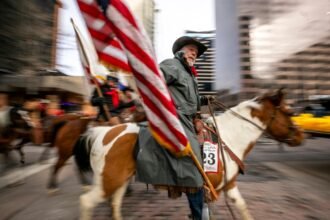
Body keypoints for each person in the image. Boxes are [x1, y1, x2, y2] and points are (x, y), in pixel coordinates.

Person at [159, 36, 213, 220]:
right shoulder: (173, 65)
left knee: (211, 142)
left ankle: (200, 204)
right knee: (194, 168)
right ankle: (199, 215)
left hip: (189, 121)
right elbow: (155, 82)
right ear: (179, 51)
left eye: (196, 53)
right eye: (191, 49)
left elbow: (194, 102)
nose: (194, 54)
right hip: (177, 121)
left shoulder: (190, 75)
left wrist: (204, 103)